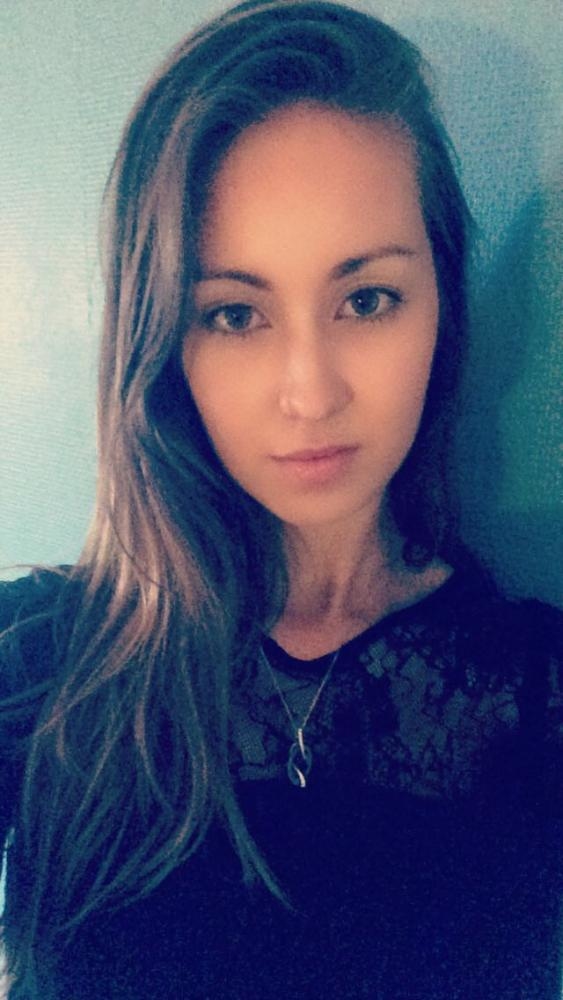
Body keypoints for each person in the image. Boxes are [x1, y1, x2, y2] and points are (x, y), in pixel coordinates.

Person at [1, 1, 561, 997]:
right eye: (234, 313)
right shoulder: (35, 667)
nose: (309, 392)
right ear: (161, 340)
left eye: (365, 299)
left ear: (441, 304)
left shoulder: (535, 693)